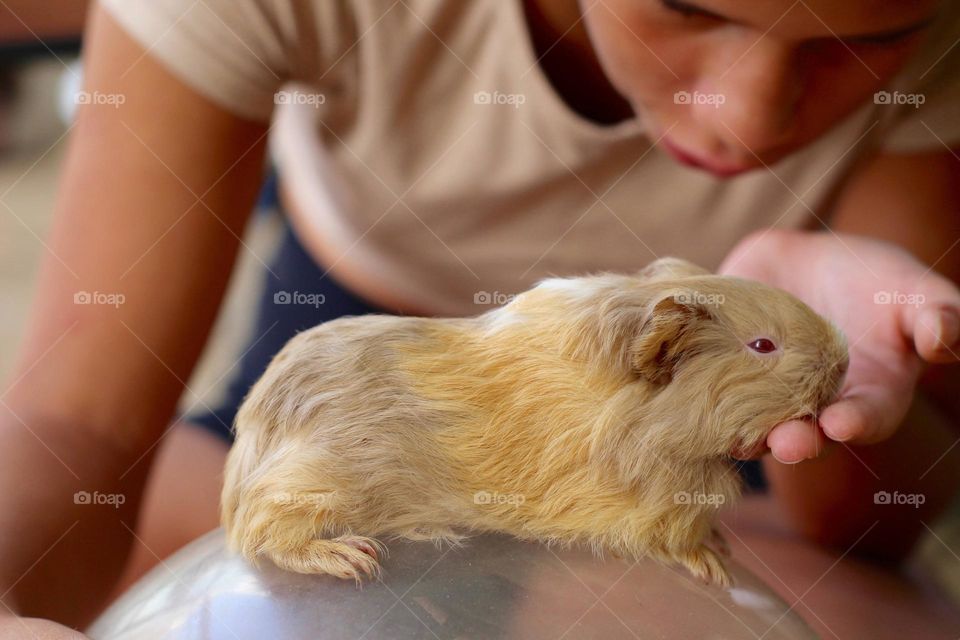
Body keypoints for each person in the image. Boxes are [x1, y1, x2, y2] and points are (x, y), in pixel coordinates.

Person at [2, 0, 959, 637]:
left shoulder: (938, 60)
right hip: (369, 358)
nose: (750, 115)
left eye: (872, 36)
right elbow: (78, 417)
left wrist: (840, 388)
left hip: (722, 449)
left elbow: (870, 530)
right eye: (687, 6)